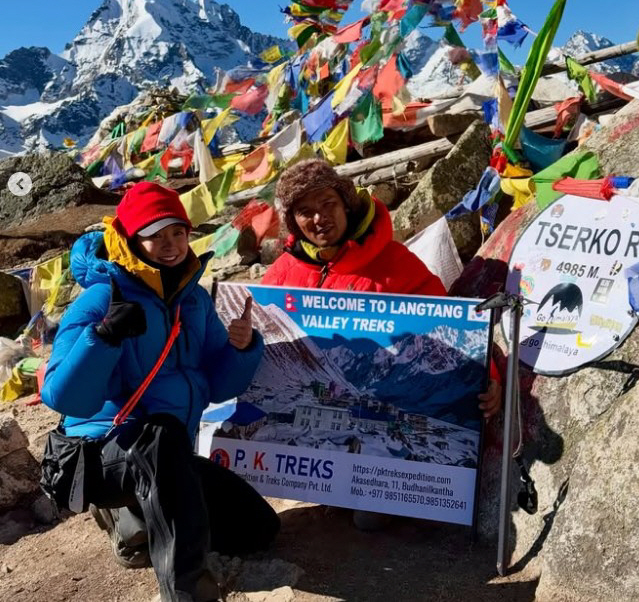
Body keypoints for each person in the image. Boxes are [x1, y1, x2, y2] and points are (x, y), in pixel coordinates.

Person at [42, 181, 280, 602]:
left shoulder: (193, 301)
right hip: (94, 455)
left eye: (178, 232)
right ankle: (186, 590)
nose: (170, 244)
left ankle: (139, 519)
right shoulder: (101, 298)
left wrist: (240, 349)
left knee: (257, 529)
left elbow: (219, 385)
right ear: (132, 240)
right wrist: (103, 338)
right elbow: (64, 397)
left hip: (167, 457)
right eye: (155, 235)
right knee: (160, 437)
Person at [261, 159, 501, 530]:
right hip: (321, 419)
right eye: (305, 212)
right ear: (293, 222)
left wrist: (490, 375)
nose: (319, 219)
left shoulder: (394, 263)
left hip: (385, 412)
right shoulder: (282, 274)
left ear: (346, 204)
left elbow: (450, 327)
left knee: (368, 518)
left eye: (328, 205)